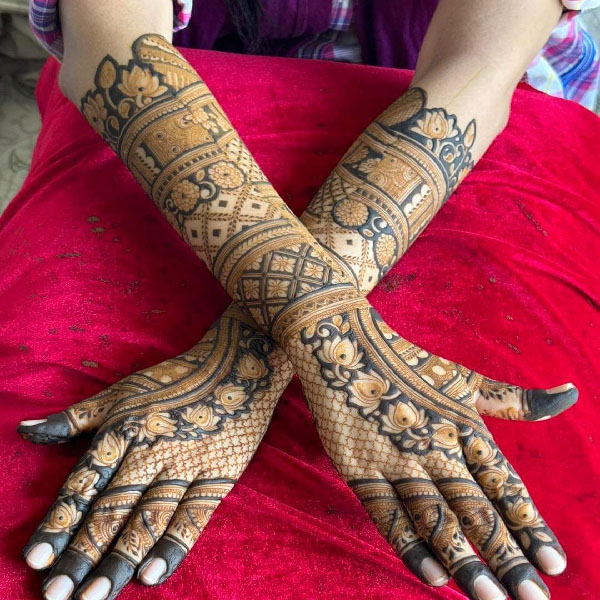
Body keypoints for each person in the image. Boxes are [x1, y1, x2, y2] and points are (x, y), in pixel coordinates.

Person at [10, 2, 595, 600]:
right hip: (186, 71)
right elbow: (113, 46)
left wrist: (246, 364)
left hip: (455, 98)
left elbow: (479, 65)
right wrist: (342, 341)